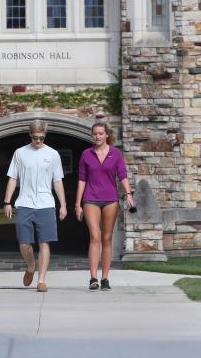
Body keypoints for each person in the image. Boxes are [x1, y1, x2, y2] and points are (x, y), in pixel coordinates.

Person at [3, 119, 67, 293]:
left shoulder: (53, 154)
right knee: (24, 243)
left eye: (41, 137)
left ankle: (41, 280)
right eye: (35, 137)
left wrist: (63, 205)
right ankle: (31, 265)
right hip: (24, 203)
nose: (38, 141)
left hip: (46, 204)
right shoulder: (20, 153)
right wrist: (7, 201)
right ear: (30, 136)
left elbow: (57, 181)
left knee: (44, 242)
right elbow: (13, 178)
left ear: (45, 136)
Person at [75, 121, 132, 291]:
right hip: (90, 199)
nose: (98, 136)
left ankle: (105, 278)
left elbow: (122, 175)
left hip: (110, 200)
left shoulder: (115, 154)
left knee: (107, 238)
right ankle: (93, 278)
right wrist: (78, 204)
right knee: (95, 237)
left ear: (107, 134)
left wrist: (128, 193)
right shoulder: (86, 154)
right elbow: (81, 180)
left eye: (101, 133)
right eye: (95, 134)